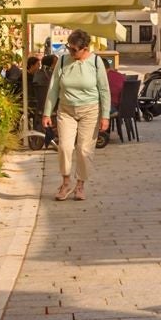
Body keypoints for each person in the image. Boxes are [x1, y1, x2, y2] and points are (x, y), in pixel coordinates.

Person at [41, 30, 111, 201]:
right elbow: (54, 88)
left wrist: (105, 116)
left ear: (85, 49)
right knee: (64, 147)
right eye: (68, 48)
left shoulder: (96, 62)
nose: (70, 52)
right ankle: (66, 183)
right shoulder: (63, 60)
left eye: (74, 50)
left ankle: (80, 185)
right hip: (66, 110)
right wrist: (47, 113)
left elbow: (104, 90)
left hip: (90, 111)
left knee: (84, 150)